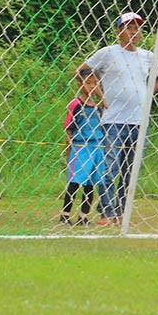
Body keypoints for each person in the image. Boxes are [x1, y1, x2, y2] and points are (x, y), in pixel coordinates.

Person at [77, 12, 158, 225]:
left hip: (138, 121)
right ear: (118, 31)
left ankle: (120, 213)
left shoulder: (147, 56)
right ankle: (106, 212)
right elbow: (81, 71)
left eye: (137, 28)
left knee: (130, 170)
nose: (133, 32)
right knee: (110, 167)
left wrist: (144, 95)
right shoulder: (108, 53)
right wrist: (97, 96)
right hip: (113, 119)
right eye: (129, 28)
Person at [60, 68, 106, 226]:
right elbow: (69, 128)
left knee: (92, 183)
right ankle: (65, 214)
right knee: (75, 181)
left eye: (95, 83)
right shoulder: (76, 104)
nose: (92, 87)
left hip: (97, 147)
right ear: (80, 85)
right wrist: (68, 150)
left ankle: (83, 216)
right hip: (81, 147)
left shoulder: (99, 106)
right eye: (88, 83)